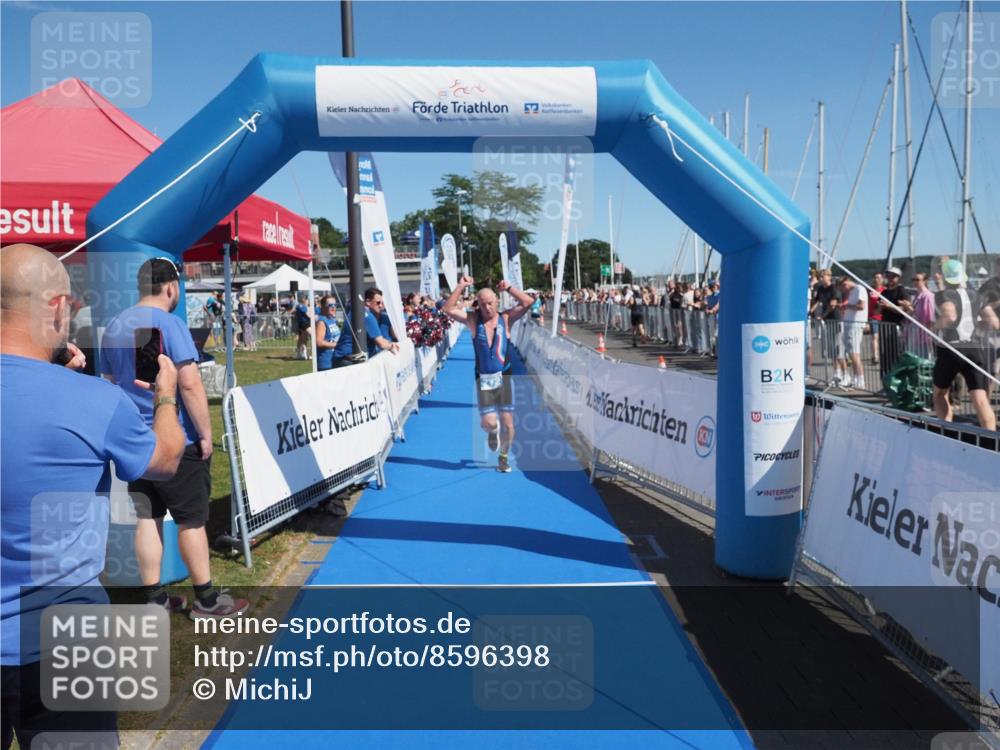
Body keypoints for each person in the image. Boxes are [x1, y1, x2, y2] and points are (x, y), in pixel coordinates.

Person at [1, 244, 185, 749]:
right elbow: (165, 459)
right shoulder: (95, 401)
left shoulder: (81, 393)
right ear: (57, 308)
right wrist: (165, 395)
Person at [100, 257, 248, 619]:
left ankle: (155, 599)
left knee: (147, 519)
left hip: (134, 441)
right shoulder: (170, 323)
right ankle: (207, 600)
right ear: (171, 287)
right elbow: (190, 383)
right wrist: (206, 433)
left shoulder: (115, 325)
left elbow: (107, 383)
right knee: (191, 519)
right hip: (175, 438)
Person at [443, 276, 536, 473]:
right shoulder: (473, 320)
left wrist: (509, 287)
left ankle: (503, 457)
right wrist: (460, 286)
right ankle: (492, 432)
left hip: (504, 376)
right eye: (483, 304)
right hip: (484, 379)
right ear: (478, 305)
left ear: (497, 301)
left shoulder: (506, 318)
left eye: (490, 303)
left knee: (509, 424)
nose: (487, 308)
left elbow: (528, 302)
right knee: (490, 423)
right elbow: (448, 309)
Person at [931, 260, 998, 431]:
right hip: (974, 349)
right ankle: (991, 437)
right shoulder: (976, 295)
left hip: (950, 349)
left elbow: (949, 316)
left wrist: (933, 326)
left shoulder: (943, 295)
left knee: (940, 393)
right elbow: (994, 322)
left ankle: (945, 430)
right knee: (980, 398)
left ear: (945, 278)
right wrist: (978, 327)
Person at [329, 287, 400, 368]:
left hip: (342, 359)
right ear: (368, 302)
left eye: (382, 303)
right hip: (348, 361)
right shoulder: (368, 316)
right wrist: (392, 346)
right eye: (378, 303)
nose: (381, 306)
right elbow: (381, 343)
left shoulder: (356, 312)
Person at [877, 267, 910, 380]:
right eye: (888, 276)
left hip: (897, 326)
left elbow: (904, 309)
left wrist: (888, 306)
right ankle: (885, 380)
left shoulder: (902, 291)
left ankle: (896, 381)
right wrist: (880, 307)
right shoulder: (885, 292)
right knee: (884, 355)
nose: (890, 279)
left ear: (899, 278)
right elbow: (877, 310)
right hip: (884, 326)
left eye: (893, 276)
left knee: (895, 354)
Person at [836, 276, 867, 388]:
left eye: (843, 288)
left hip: (855, 324)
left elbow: (861, 306)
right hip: (849, 323)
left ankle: (860, 380)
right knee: (851, 353)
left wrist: (847, 305)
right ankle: (856, 379)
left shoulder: (859, 289)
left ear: (846, 283)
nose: (844, 291)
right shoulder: (853, 291)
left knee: (855, 354)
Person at [315, 295, 342, 371]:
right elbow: (319, 342)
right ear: (323, 307)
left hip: (334, 360)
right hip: (326, 363)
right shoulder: (322, 322)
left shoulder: (332, 320)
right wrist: (337, 345)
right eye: (330, 305)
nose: (333, 307)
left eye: (335, 305)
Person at [294, 294, 312, 360]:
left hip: (304, 324)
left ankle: (304, 354)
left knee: (303, 340)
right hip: (304, 324)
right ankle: (303, 354)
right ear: (303, 299)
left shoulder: (303, 306)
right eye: (306, 299)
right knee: (313, 336)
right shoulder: (300, 306)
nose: (308, 301)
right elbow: (308, 314)